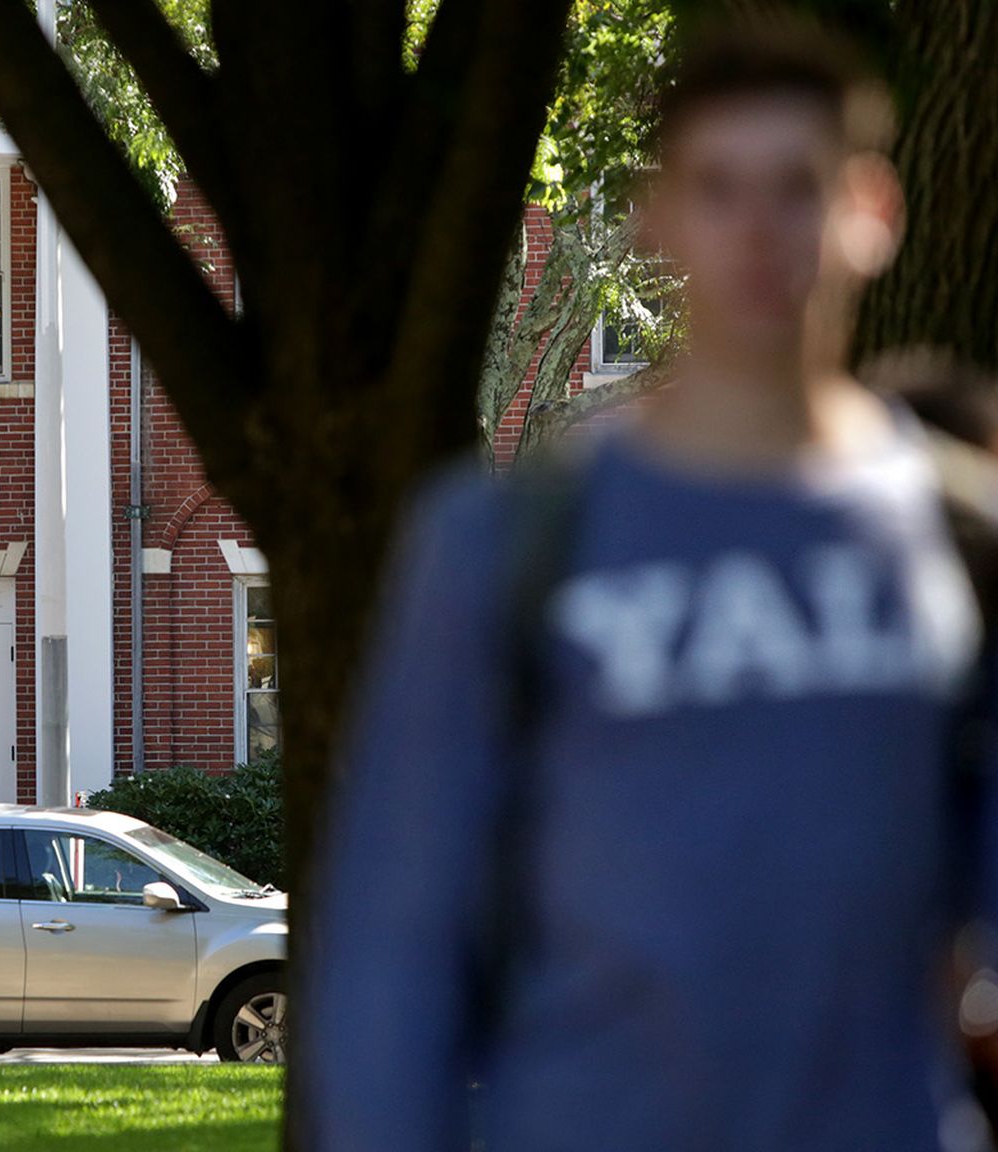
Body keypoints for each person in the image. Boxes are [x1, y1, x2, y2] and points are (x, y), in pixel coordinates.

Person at [306, 22, 997, 1152]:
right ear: (657, 215)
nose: (762, 233)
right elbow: (397, 948)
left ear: (874, 213)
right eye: (719, 189)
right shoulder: (501, 543)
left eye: (800, 187)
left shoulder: (963, 539)